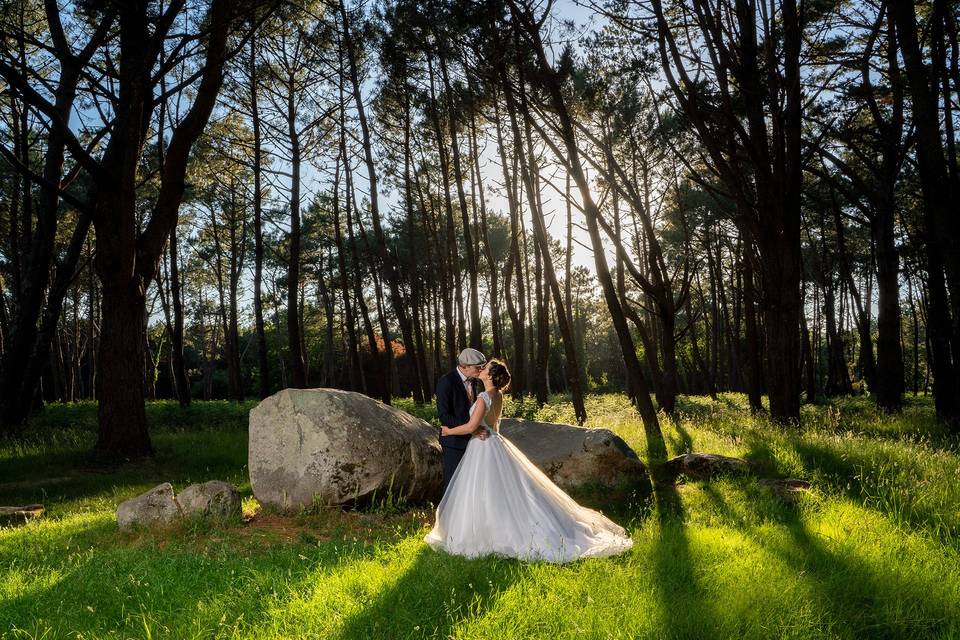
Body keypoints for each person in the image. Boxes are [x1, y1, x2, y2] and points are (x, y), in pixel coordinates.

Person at [425, 359, 633, 564]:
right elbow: (494, 427)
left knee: (485, 491)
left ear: (489, 375)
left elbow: (471, 427)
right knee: (502, 491)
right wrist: (482, 430)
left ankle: (488, 533)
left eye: (485, 367)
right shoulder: (497, 396)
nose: (481, 368)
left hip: (483, 447)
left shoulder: (483, 397)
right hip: (495, 443)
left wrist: (449, 430)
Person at [435, 348, 489, 493]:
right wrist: (472, 428)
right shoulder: (446, 382)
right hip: (454, 441)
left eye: (482, 367)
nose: (481, 370)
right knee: (453, 483)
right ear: (464, 366)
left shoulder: (475, 381)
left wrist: (474, 429)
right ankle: (446, 515)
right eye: (478, 367)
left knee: (471, 485)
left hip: (474, 441)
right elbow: (444, 415)